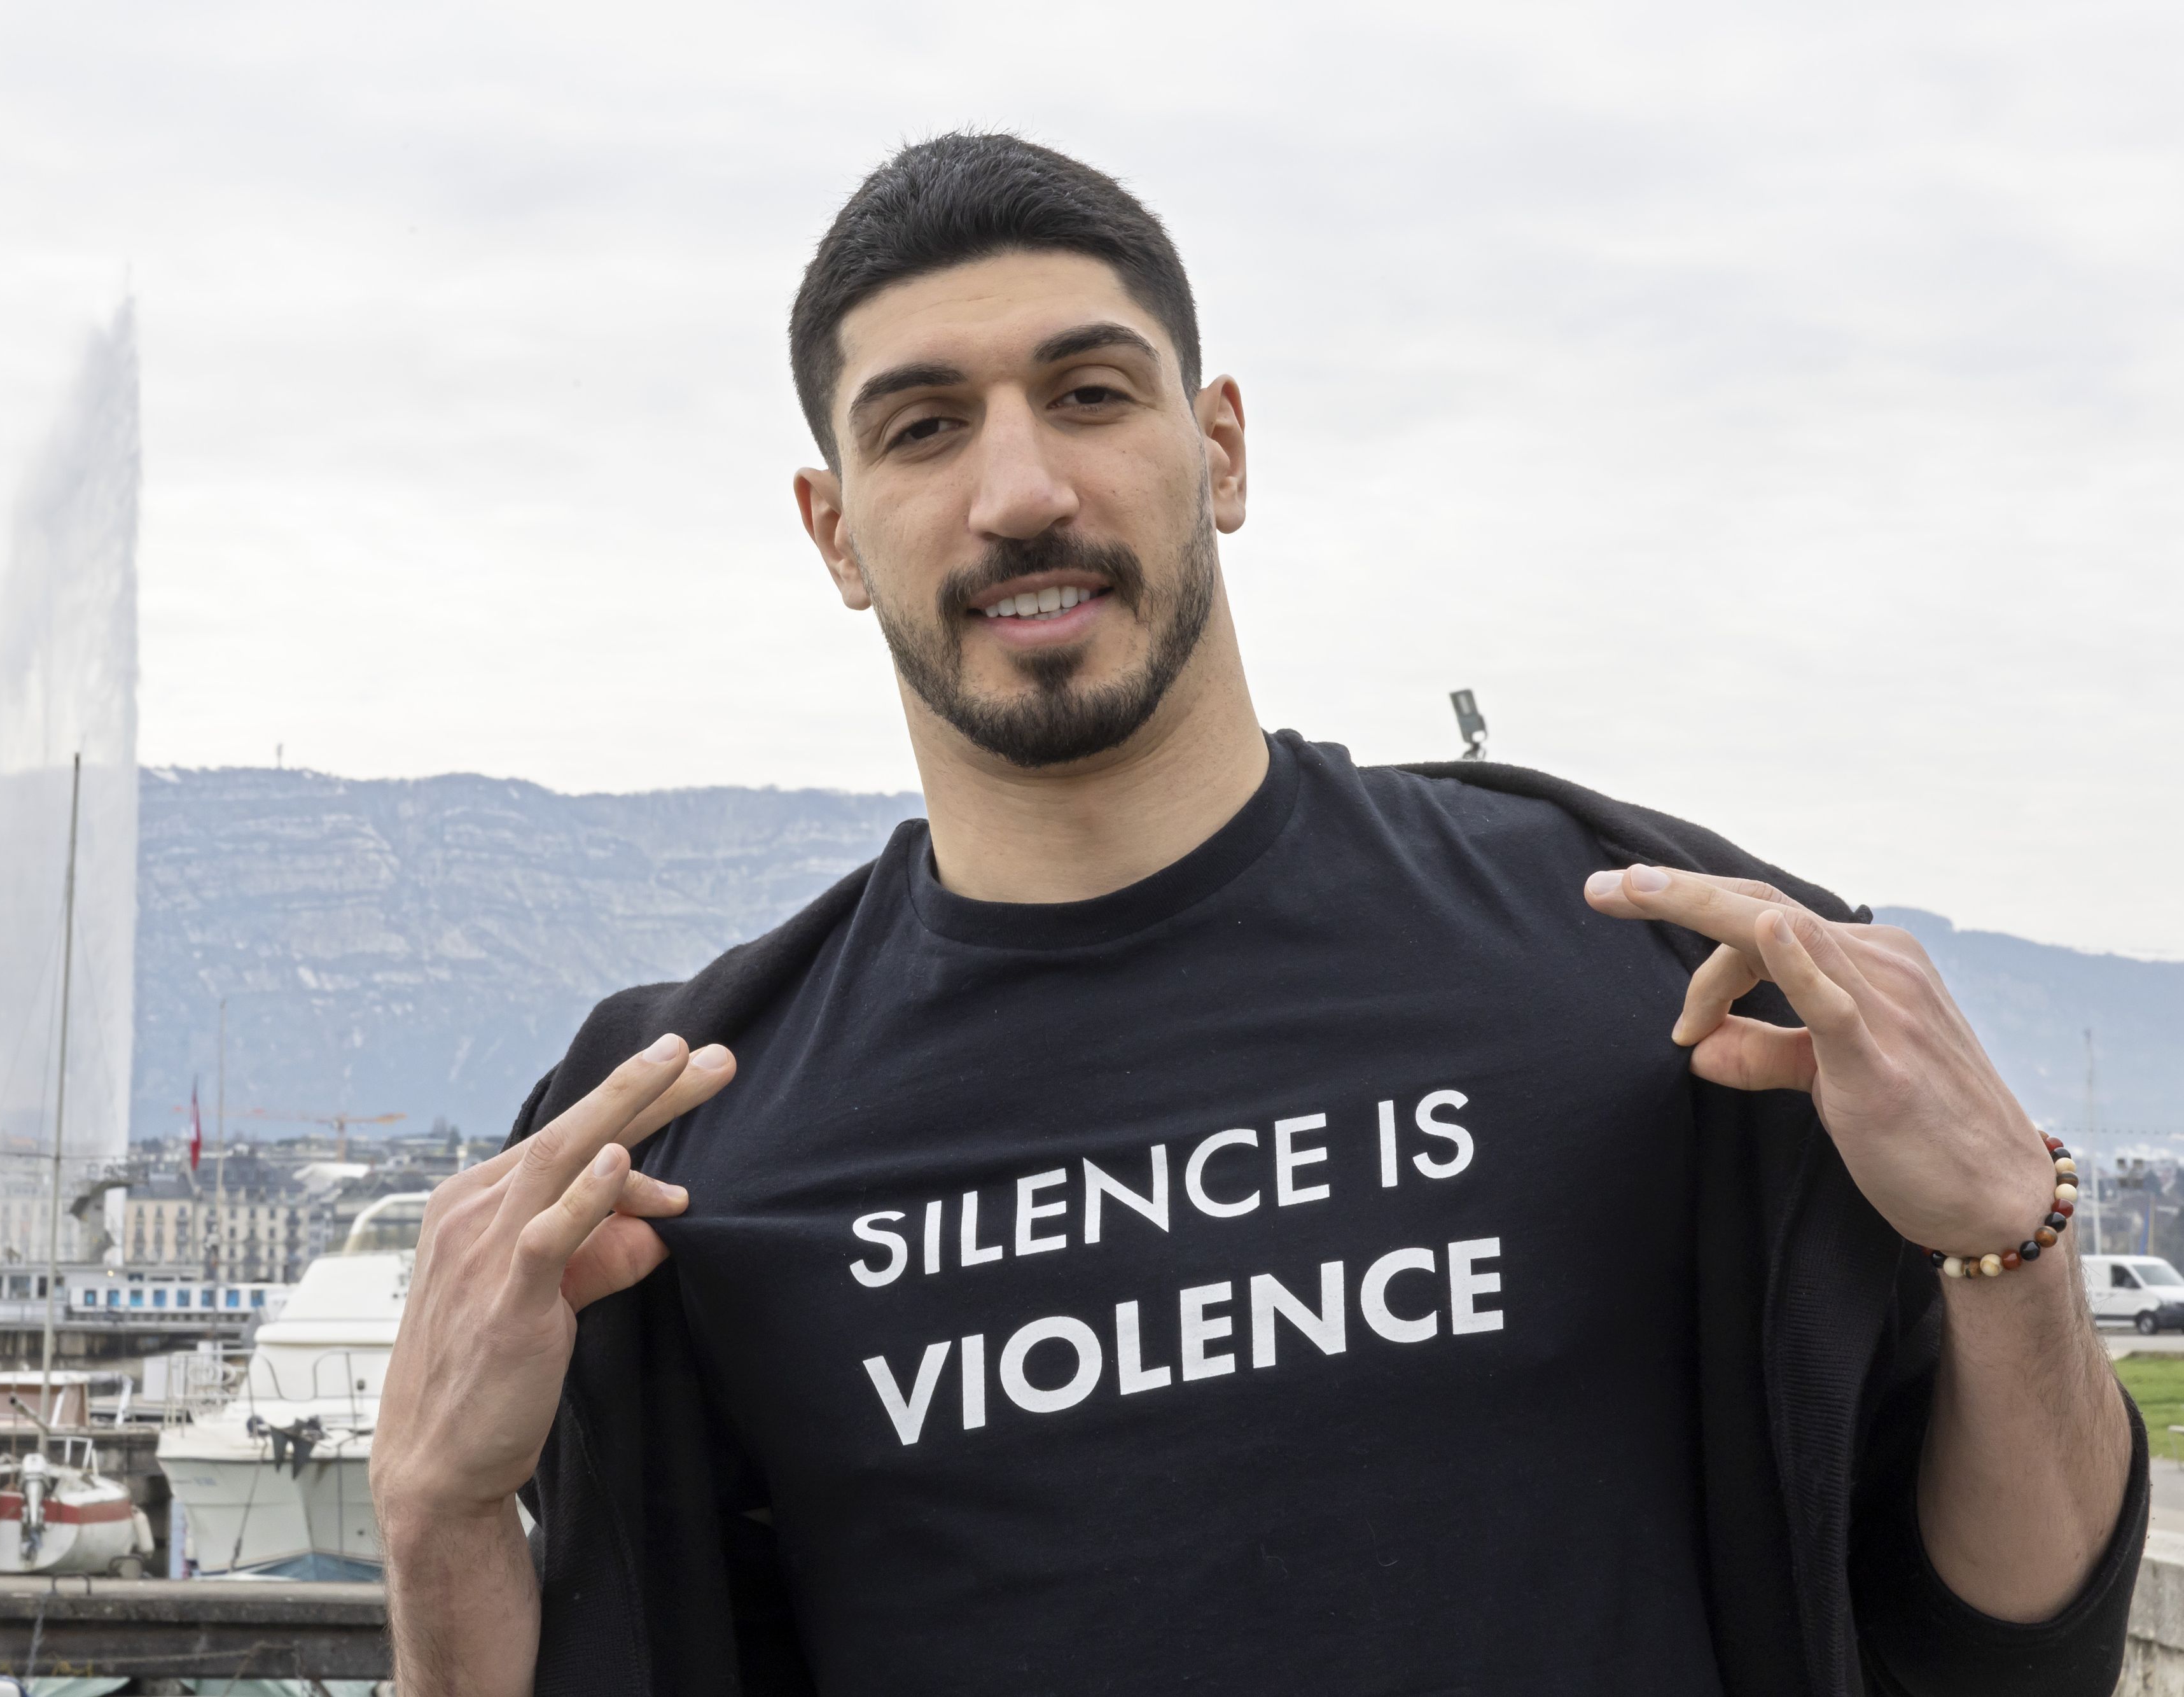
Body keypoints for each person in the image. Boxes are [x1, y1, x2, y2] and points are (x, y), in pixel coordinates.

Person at [372, 133, 2146, 1696]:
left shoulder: (1660, 969)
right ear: (836, 533)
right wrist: (443, 1518)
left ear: (1218, 447)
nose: (1020, 493)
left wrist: (2014, 1240)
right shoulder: (682, 1139)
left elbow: (2003, 1638)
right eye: (924, 429)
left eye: (1091, 393)